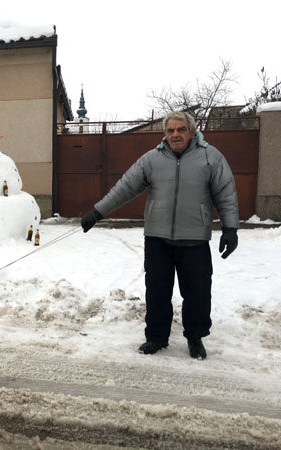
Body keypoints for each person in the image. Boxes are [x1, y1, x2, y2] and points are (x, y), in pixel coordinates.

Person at [80, 111, 239, 360]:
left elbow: (226, 194)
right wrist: (97, 213)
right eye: (170, 130)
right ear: (165, 134)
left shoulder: (211, 157)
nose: (175, 134)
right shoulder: (152, 160)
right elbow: (125, 187)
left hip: (194, 239)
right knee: (156, 292)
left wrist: (230, 229)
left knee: (197, 292)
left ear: (192, 131)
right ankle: (156, 337)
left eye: (181, 129)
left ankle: (195, 338)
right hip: (157, 239)